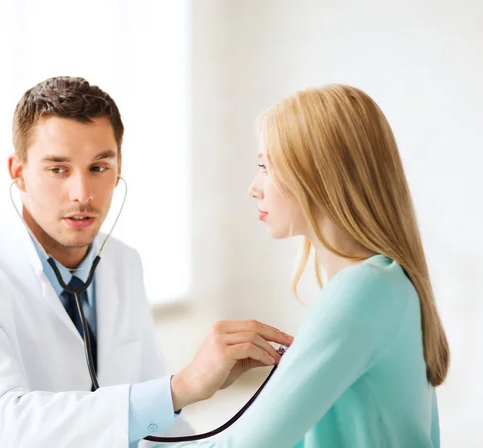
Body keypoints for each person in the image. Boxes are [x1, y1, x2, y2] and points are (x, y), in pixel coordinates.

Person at [0, 76, 292, 448]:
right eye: (58, 169)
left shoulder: (123, 263)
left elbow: (158, 429)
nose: (83, 194)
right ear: (18, 173)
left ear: (118, 167)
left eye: (98, 167)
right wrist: (181, 387)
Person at [160, 84, 449, 448]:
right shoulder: (389, 283)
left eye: (266, 167)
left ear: (318, 176)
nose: (254, 187)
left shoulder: (362, 291)